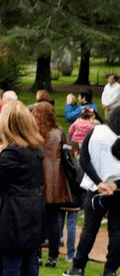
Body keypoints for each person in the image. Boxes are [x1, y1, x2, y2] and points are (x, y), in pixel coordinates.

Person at [0, 101, 44, 276]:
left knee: (11, 263)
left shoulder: (13, 154)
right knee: (30, 259)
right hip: (33, 210)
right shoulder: (34, 150)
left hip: (15, 214)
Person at [65, 111, 120, 276]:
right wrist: (113, 185)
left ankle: (78, 267)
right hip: (117, 189)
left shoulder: (95, 131)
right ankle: (110, 271)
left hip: (96, 189)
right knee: (117, 232)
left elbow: (84, 160)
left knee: (89, 229)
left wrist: (99, 182)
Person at [33, 102, 73, 268]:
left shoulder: (34, 133)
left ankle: (37, 254)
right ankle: (53, 256)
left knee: (36, 220)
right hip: (55, 180)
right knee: (53, 221)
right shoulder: (59, 132)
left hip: (37, 179)